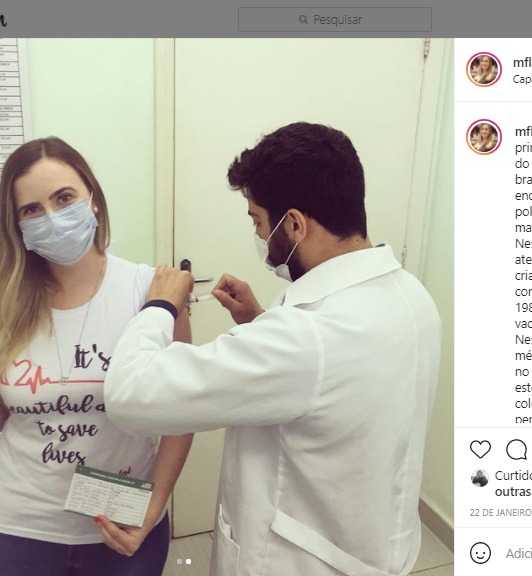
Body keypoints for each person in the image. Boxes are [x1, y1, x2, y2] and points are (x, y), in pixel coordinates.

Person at [104, 122, 442, 575]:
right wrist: (257, 321)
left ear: (296, 224)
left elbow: (130, 395)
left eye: (258, 222)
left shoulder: (304, 337)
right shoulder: (410, 295)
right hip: (377, 544)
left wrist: (159, 305)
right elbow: (337, 384)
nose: (261, 237)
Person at [0, 137, 193, 576]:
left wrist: (154, 506)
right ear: (18, 226)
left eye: (64, 198)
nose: (52, 217)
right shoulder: (1, 301)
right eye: (31, 210)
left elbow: (182, 415)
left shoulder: (153, 292)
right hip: (15, 530)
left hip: (121, 525)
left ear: (93, 198)